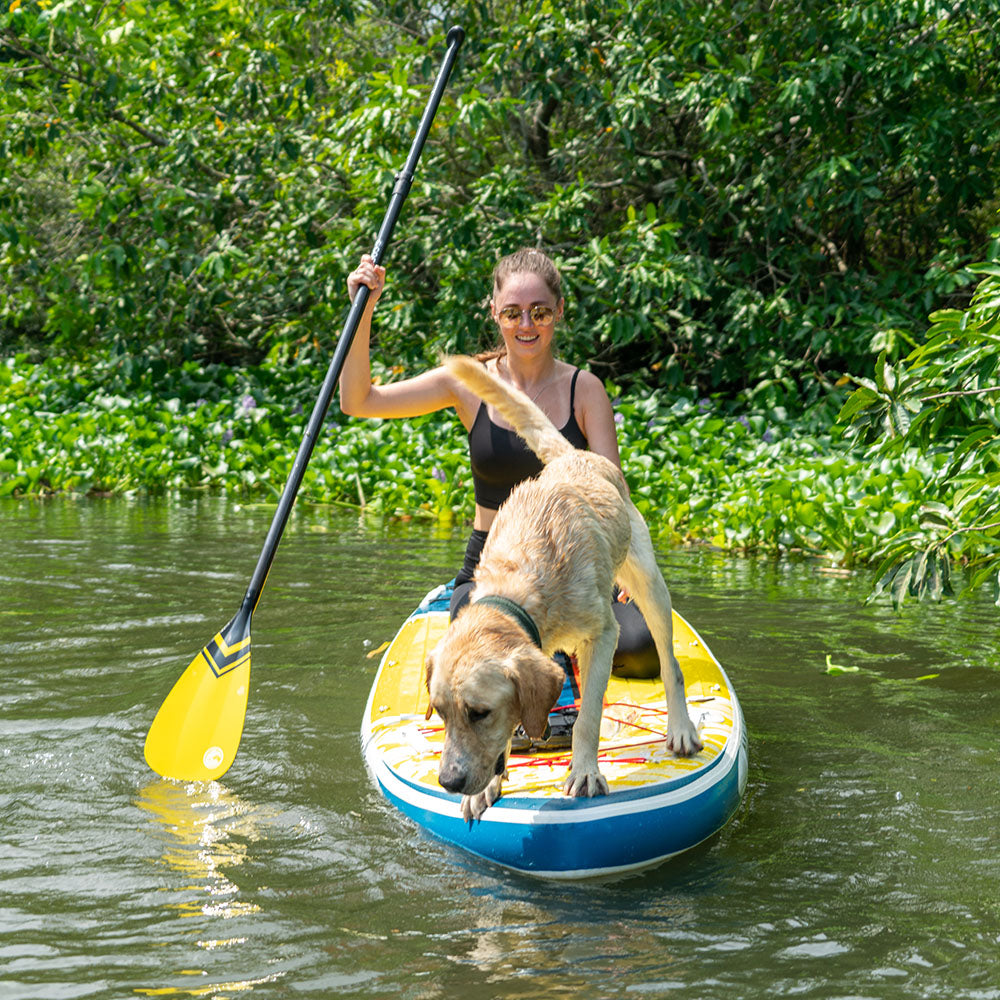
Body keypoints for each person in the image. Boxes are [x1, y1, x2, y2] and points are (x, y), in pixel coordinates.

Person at [339, 247, 659, 680]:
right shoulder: (470, 381)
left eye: (539, 312)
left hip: (573, 565)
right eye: (513, 313)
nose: (526, 325)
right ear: (494, 313)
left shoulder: (585, 390)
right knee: (495, 646)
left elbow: (612, 495)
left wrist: (617, 574)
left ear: (559, 312)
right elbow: (359, 401)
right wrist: (362, 310)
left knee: (637, 652)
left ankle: (565, 658)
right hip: (493, 570)